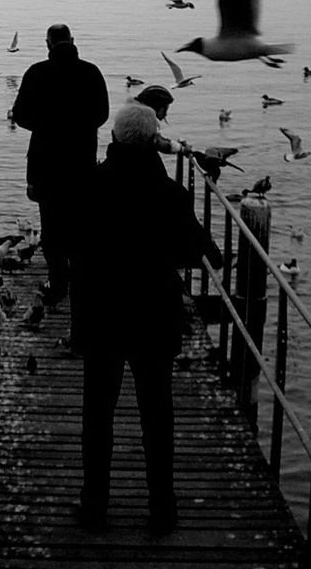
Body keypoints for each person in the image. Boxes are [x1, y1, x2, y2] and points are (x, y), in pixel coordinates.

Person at [72, 100, 222, 535]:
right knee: (157, 415)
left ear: (114, 138)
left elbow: (69, 245)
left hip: (101, 315)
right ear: (154, 140)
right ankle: (162, 508)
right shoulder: (171, 192)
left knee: (97, 415)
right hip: (153, 316)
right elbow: (194, 253)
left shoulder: (90, 185)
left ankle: (94, 506)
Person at [10, 23, 109, 307]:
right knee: (80, 222)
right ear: (72, 40)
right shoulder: (91, 72)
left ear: (48, 44)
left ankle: (58, 283)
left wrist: (44, 126)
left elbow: (19, 114)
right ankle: (80, 281)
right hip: (82, 160)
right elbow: (102, 114)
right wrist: (80, 127)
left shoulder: (37, 72)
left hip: (46, 161)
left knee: (51, 225)